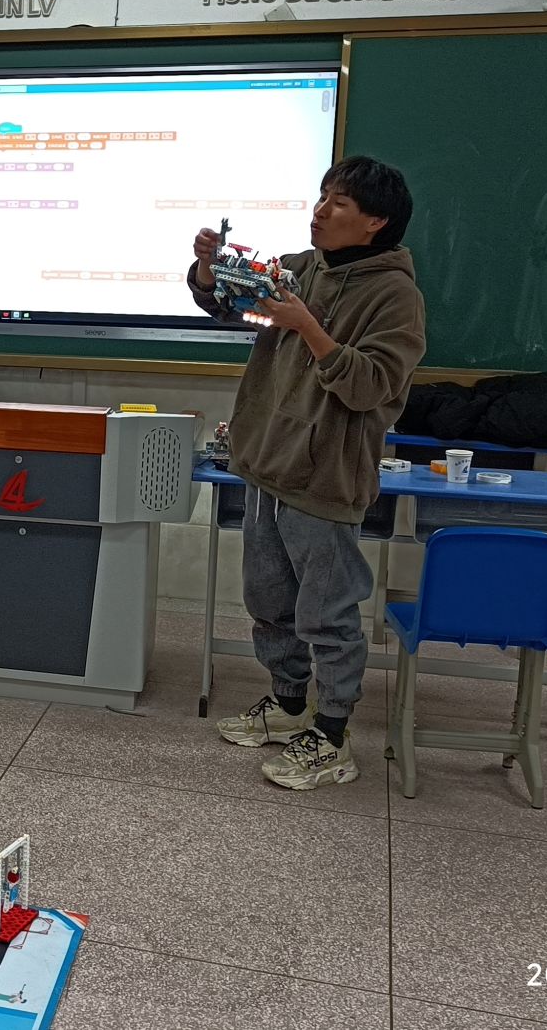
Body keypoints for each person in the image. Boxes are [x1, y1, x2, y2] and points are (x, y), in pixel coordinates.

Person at [192, 156, 426, 791]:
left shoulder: (396, 296)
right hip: (267, 460)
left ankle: (333, 733)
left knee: (327, 610)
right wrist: (210, 269)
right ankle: (289, 703)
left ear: (375, 221)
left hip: (326, 473)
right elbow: (225, 303)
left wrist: (308, 328)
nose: (321, 210)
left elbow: (371, 385)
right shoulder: (303, 266)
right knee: (269, 597)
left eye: (339, 203)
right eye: (322, 196)